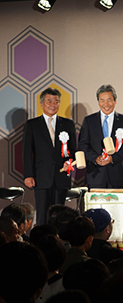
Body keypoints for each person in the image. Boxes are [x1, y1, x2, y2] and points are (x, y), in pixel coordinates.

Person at [23, 87, 77, 224]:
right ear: (42, 104)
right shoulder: (32, 124)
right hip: (41, 177)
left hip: (61, 176)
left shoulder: (68, 124)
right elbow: (27, 152)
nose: (53, 104)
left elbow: (73, 150)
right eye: (49, 101)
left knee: (60, 215)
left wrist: (69, 162)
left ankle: (59, 242)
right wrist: (28, 174)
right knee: (42, 215)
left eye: (56, 101)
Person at [78, 84, 123, 189]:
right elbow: (83, 144)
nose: (106, 104)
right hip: (95, 174)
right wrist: (95, 158)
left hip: (117, 174)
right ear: (98, 102)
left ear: (115, 101)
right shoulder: (89, 121)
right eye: (102, 100)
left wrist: (113, 158)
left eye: (109, 100)